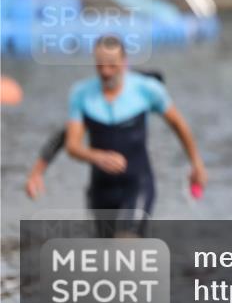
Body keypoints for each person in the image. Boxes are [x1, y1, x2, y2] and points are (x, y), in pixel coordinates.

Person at [63, 36, 206, 237]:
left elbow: (178, 125)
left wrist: (196, 164)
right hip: (100, 190)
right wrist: (96, 156)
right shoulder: (81, 94)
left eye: (112, 65)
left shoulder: (147, 90)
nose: (105, 71)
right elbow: (72, 146)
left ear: (123, 61)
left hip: (137, 184)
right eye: (100, 65)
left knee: (125, 242)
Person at [25, 69, 165, 200]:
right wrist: (37, 173)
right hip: (102, 188)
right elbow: (63, 136)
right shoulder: (97, 103)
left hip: (135, 185)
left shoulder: (138, 90)